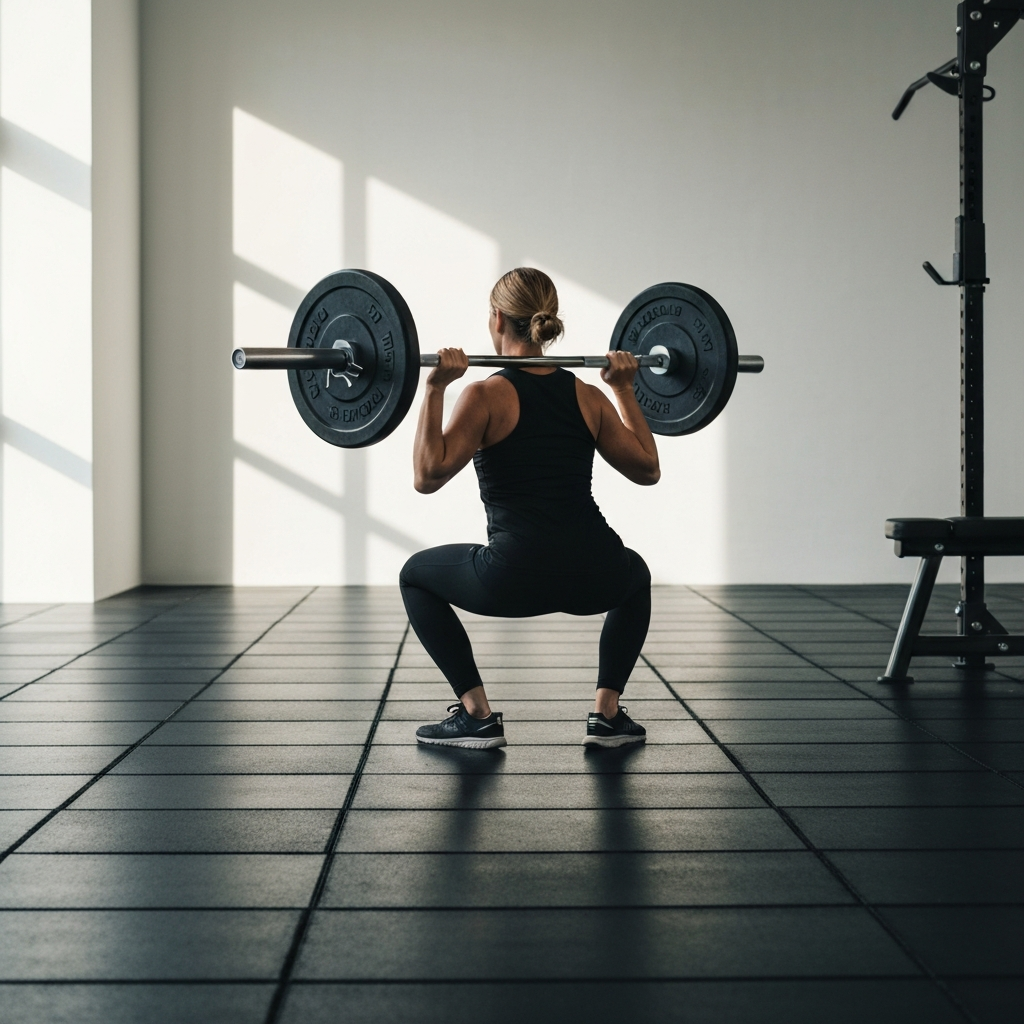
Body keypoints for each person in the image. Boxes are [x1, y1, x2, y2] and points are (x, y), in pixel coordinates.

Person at [399, 267, 659, 749]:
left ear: (497, 318)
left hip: (512, 577)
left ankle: (476, 716)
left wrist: (434, 388)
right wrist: (624, 387)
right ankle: (606, 716)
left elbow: (426, 476)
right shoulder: (589, 395)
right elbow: (647, 469)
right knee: (636, 574)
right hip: (595, 572)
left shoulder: (483, 395)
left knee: (414, 574)